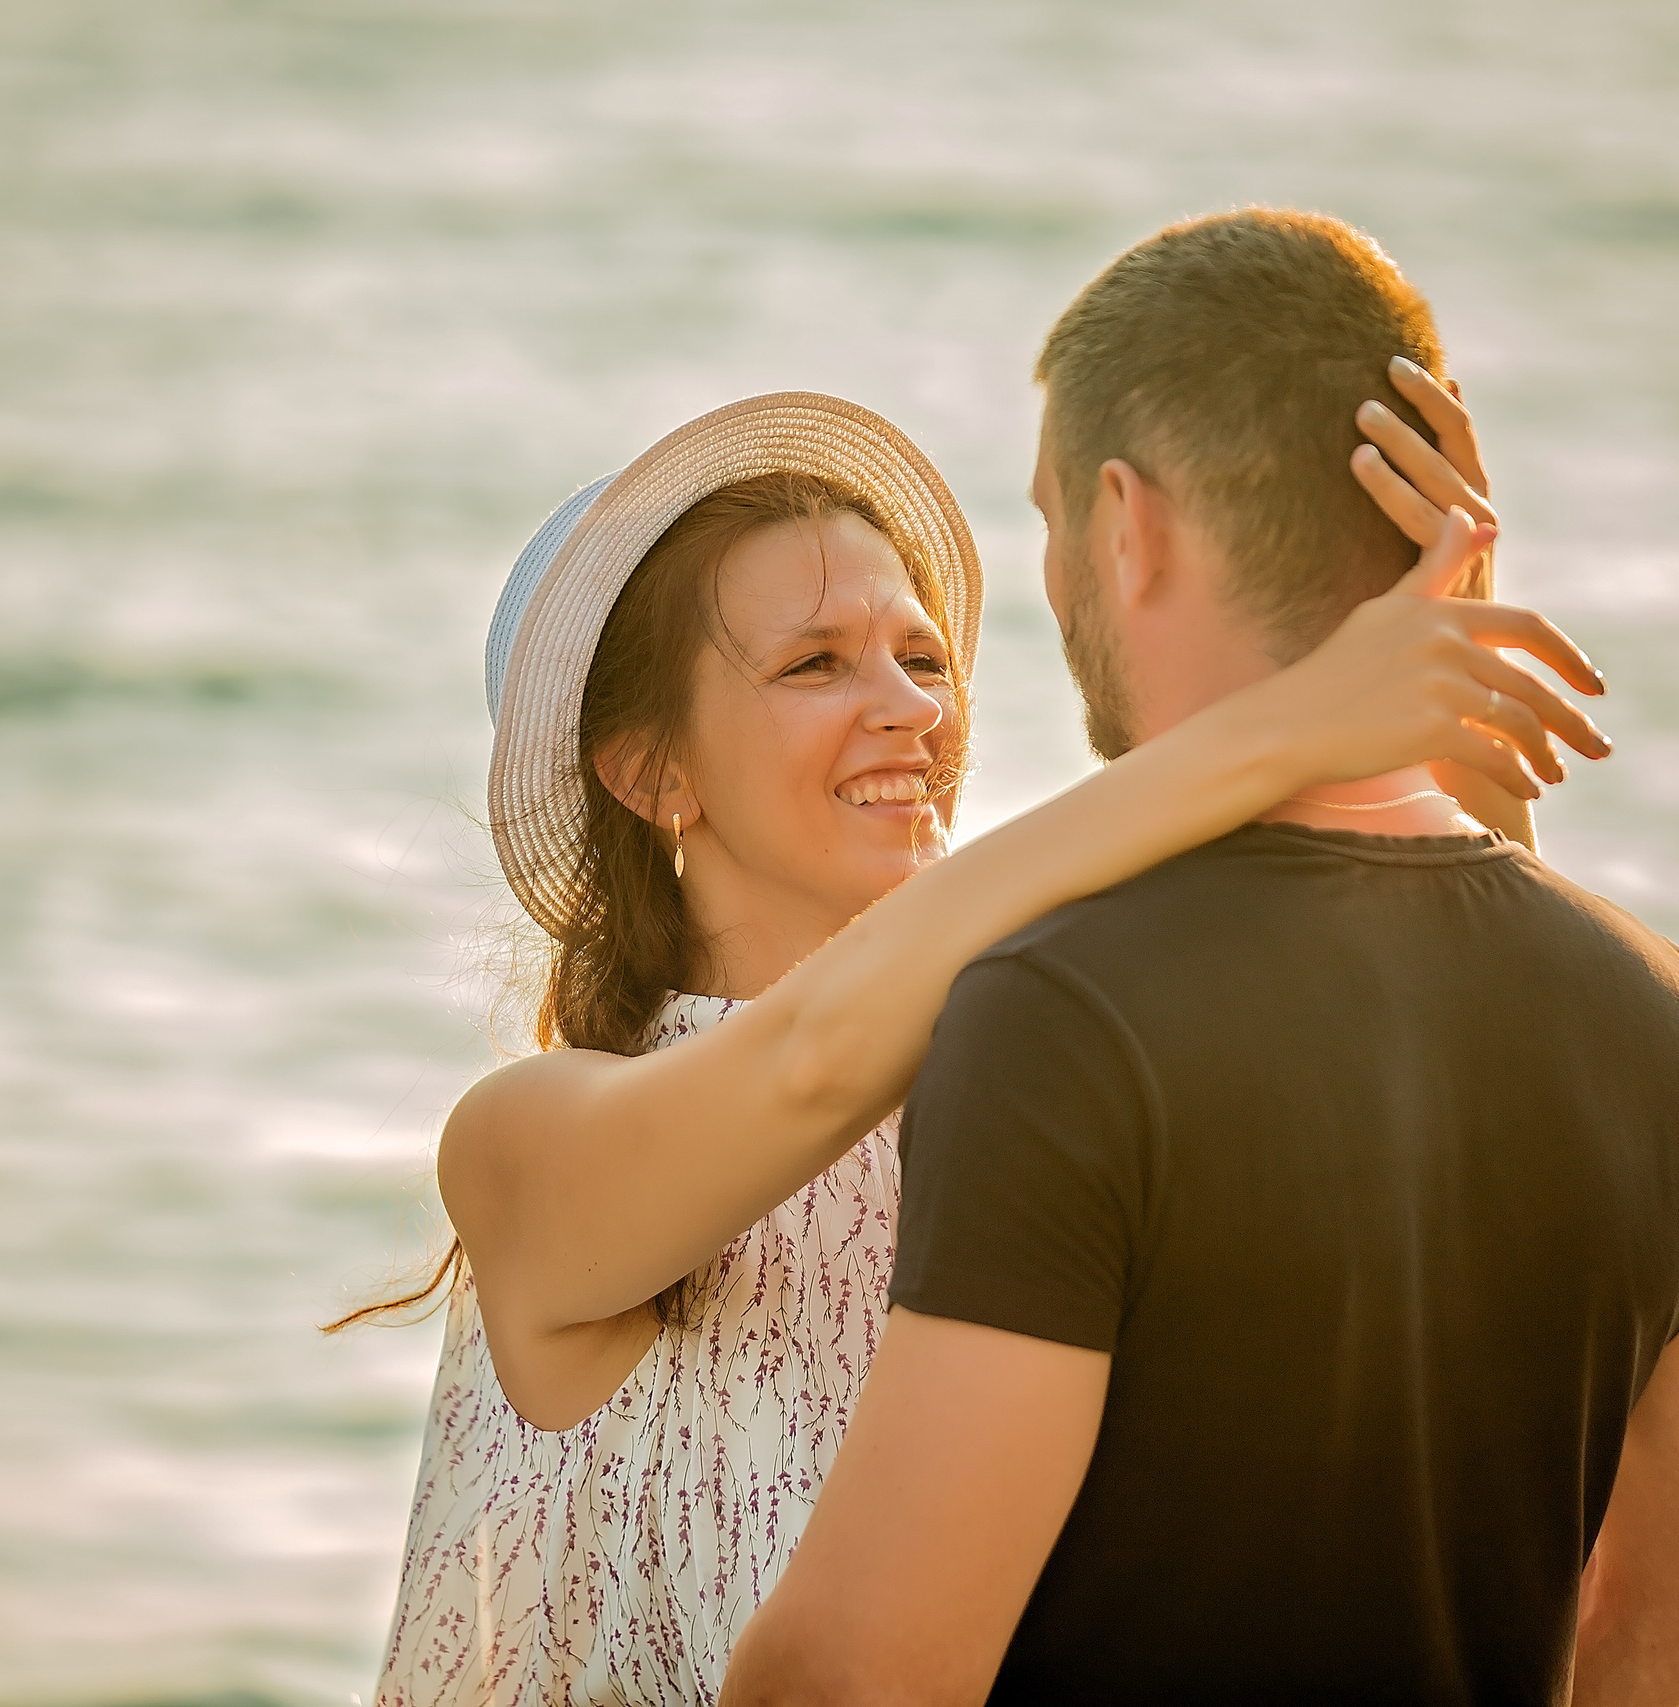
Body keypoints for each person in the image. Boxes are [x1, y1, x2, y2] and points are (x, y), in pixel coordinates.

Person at [358, 383, 1606, 1705]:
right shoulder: (526, 1146)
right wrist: (1291, 723)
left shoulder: (1063, 1077)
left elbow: (1468, 1164)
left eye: (925, 656)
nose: (911, 708)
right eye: (815, 663)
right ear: (651, 774)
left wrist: (1443, 702)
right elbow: (811, 1061)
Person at [720, 211, 1679, 1707]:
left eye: (1044, 523)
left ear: (1124, 523)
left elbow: (855, 1679)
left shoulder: (1063, 1014)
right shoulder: (1676, 1022)